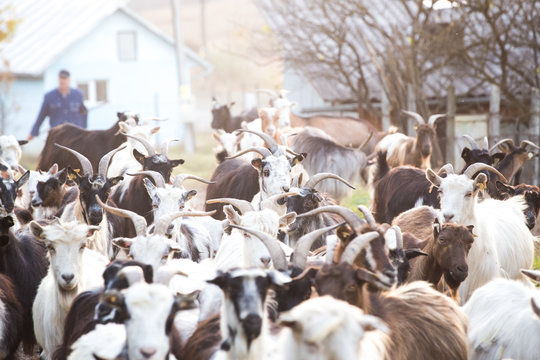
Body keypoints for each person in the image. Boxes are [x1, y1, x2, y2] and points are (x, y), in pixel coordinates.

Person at [27, 69, 87, 140]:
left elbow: (84, 113)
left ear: (69, 80)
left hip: (75, 136)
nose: (62, 81)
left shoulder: (78, 95)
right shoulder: (49, 96)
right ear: (58, 79)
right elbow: (41, 116)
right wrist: (32, 133)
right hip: (57, 136)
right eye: (61, 78)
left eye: (65, 79)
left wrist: (84, 130)